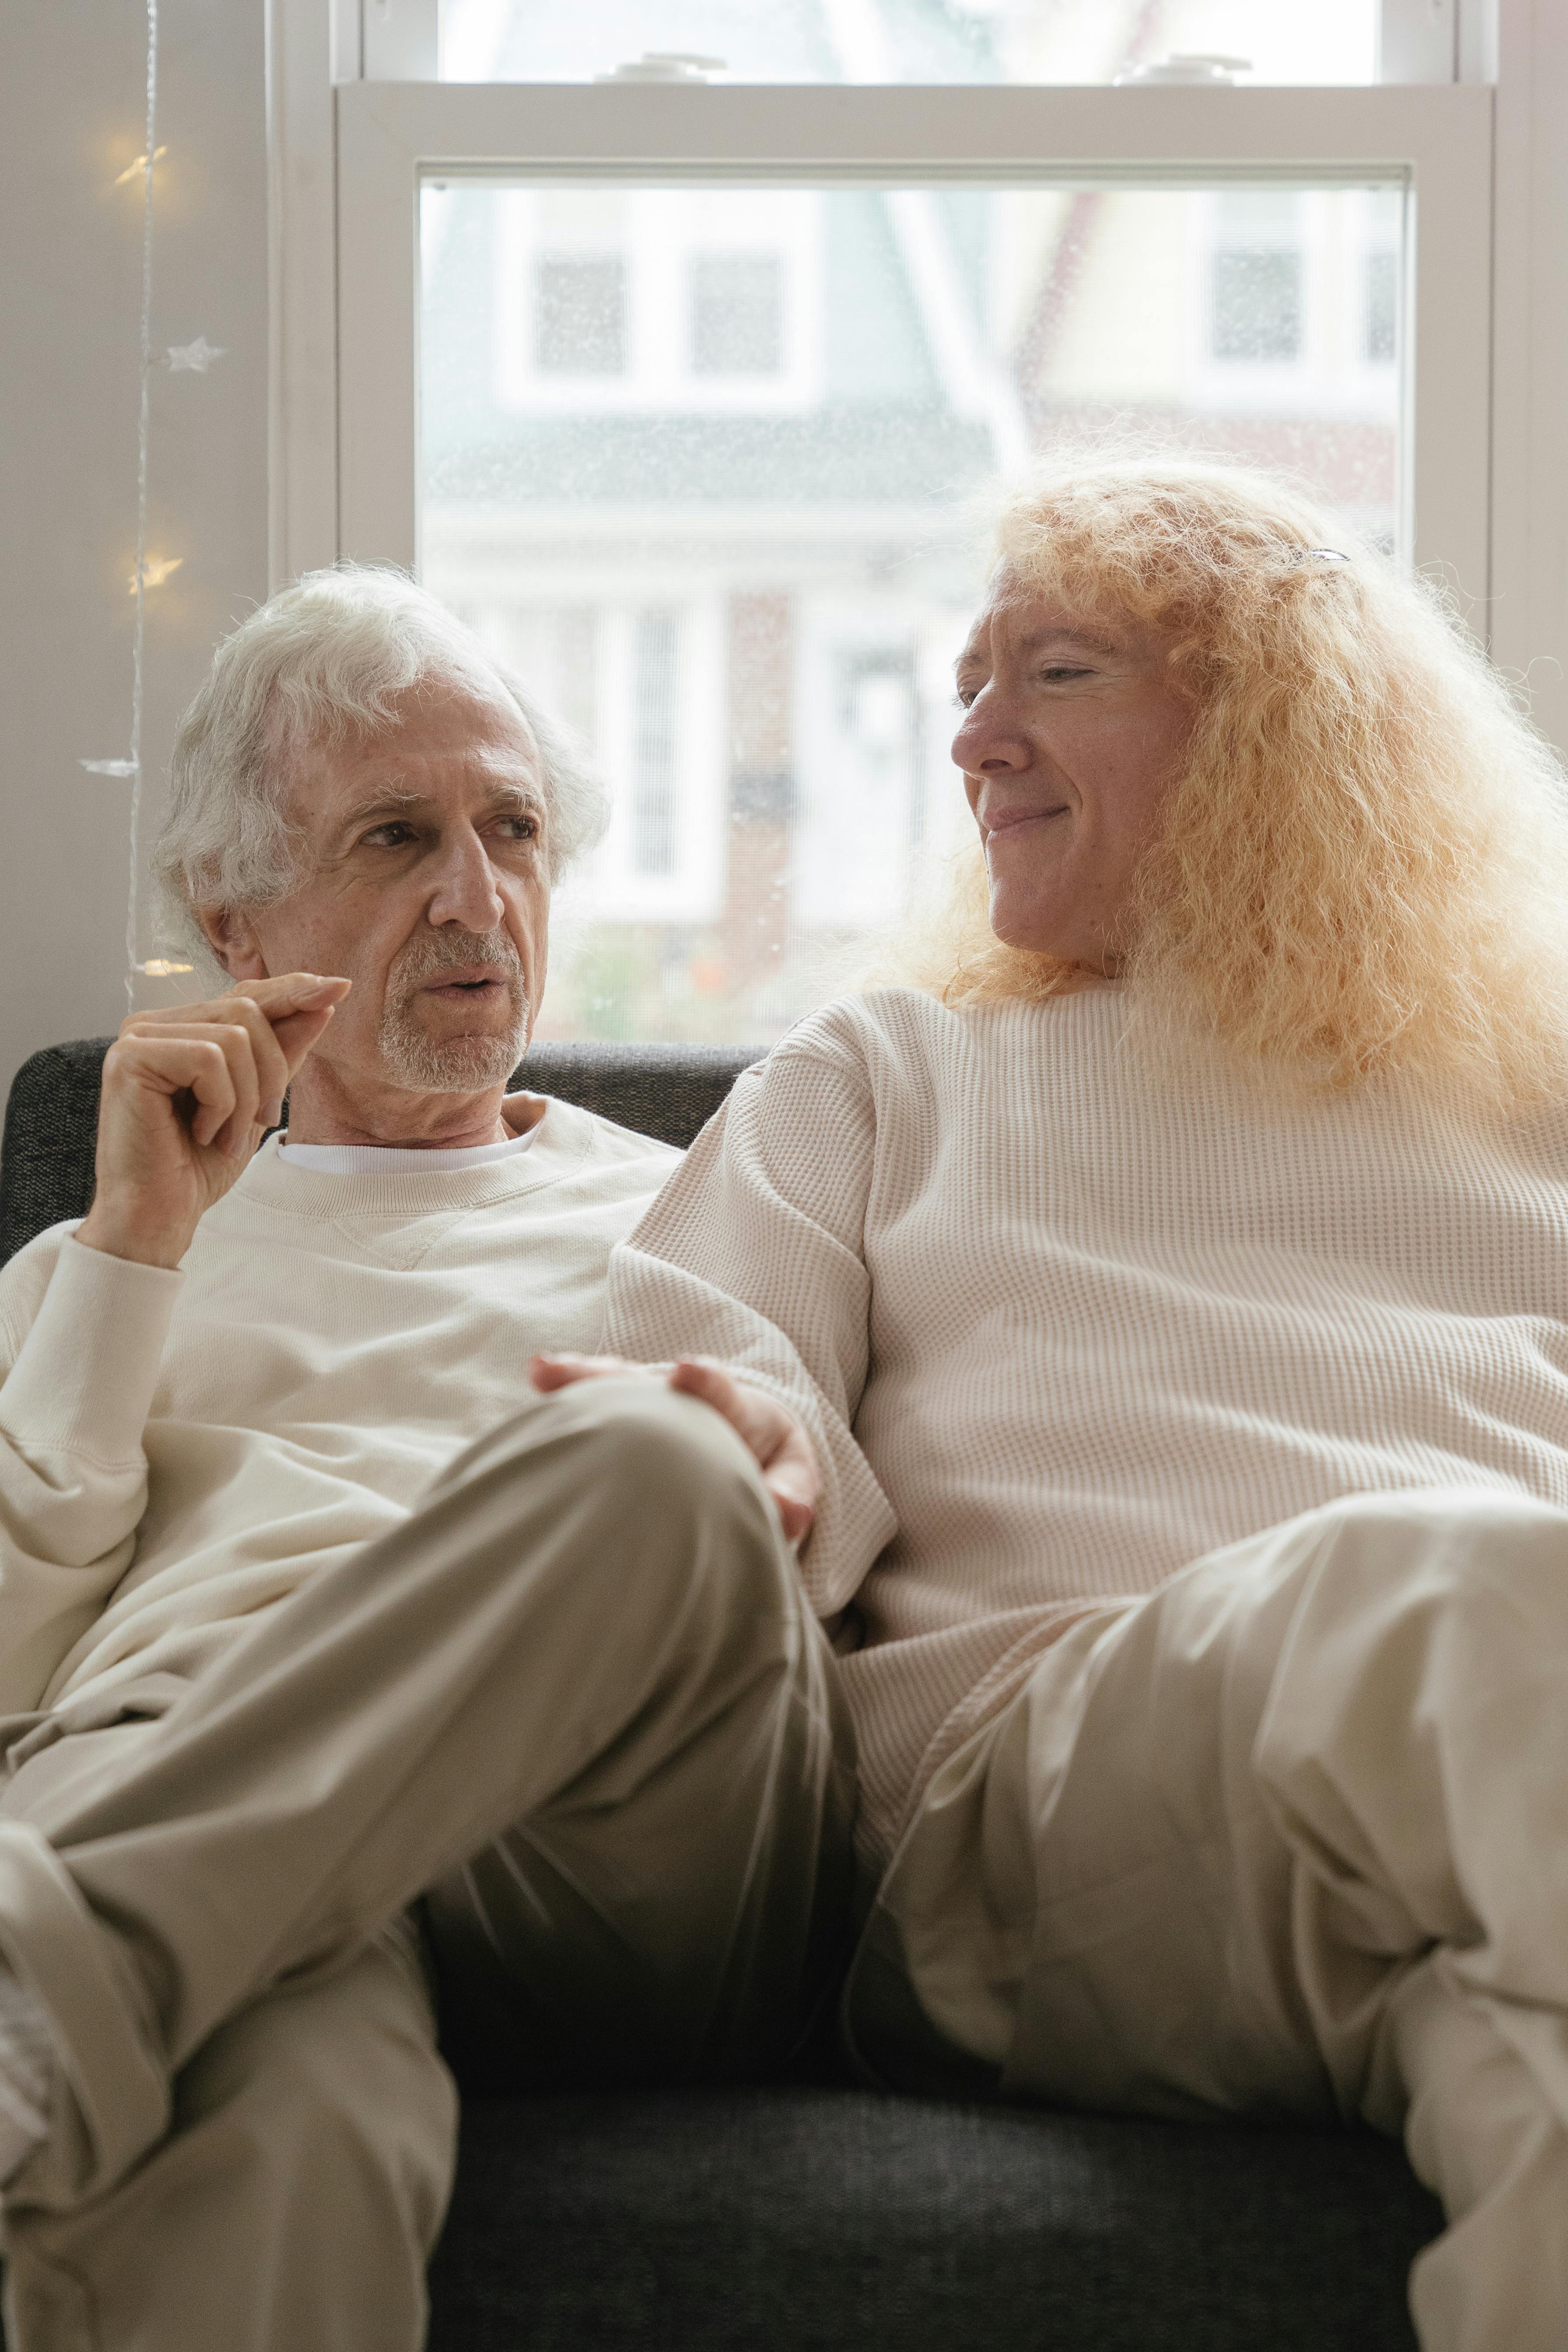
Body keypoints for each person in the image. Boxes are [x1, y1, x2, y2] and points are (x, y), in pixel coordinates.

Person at [550, 459, 1568, 2352]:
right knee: (1488, 1596)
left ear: (1271, 726)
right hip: (1035, 1817)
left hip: (1462, 1816)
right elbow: (698, 1383)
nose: (973, 736)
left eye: (1055, 671)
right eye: (964, 682)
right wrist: (739, 1447)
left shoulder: (1537, 1088)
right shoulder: (897, 1063)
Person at [0, 565, 854, 2351]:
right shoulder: (92, 1255)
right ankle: (100, 1979)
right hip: (223, 1818)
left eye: (514, 827)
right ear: (234, 921)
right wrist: (130, 1255)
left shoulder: (702, 1206)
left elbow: (811, 1560)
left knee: (650, 1460)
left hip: (598, 1847)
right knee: (291, 2107)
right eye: (397, 835)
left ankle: (44, 1972)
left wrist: (771, 1467)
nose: (477, 897)